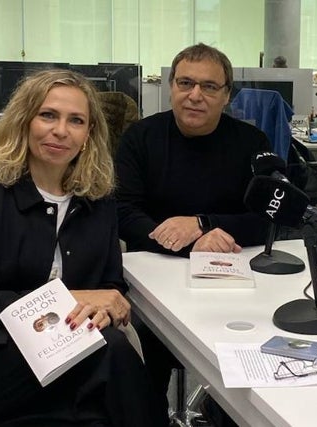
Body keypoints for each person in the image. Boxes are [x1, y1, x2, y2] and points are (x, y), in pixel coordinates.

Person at [0, 69, 168, 427]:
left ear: (88, 136)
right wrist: (73, 299)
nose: (61, 130)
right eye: (48, 115)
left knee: (97, 405)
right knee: (111, 353)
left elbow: (110, 286)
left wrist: (103, 309)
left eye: (76, 121)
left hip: (66, 354)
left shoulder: (99, 204)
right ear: (24, 122)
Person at [114, 43, 271, 424]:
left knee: (247, 361)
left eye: (209, 87)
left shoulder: (252, 144)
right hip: (153, 274)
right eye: (185, 82)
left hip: (235, 277)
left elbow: (267, 218)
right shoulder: (140, 138)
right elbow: (122, 211)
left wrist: (202, 223)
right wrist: (192, 243)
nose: (195, 95)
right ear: (171, 86)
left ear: (226, 95)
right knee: (144, 364)